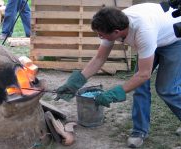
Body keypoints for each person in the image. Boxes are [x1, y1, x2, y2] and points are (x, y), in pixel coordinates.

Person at [56, 3, 181, 148]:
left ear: (116, 32)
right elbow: (99, 59)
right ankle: (139, 131)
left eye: (101, 34)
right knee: (140, 89)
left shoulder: (143, 31)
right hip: (154, 35)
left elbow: (144, 74)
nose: (99, 36)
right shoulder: (110, 24)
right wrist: (74, 83)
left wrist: (114, 94)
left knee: (166, 89)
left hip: (173, 41)